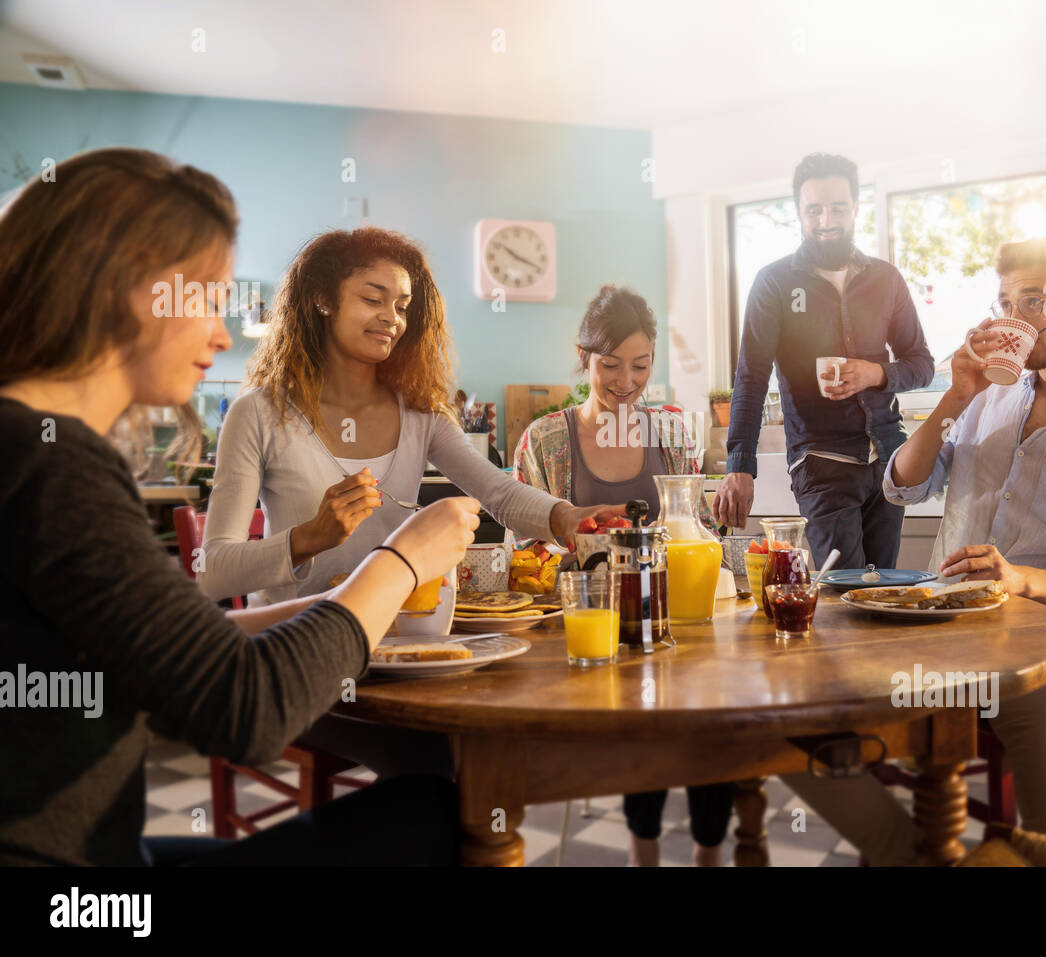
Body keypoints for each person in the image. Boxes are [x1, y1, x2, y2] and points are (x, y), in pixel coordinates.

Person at [0, 148, 478, 866]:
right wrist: (401, 561)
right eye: (208, 300)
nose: (222, 335)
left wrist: (346, 599)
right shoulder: (50, 468)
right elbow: (245, 708)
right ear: (123, 289)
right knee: (434, 813)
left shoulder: (24, 449)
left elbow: (172, 652)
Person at [786, 236, 1046, 859]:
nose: (1014, 316)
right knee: (789, 714)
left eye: (1034, 298)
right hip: (939, 633)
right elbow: (903, 485)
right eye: (1004, 301)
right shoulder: (983, 402)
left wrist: (1019, 580)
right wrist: (956, 392)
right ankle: (910, 857)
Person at [196, 227, 624, 779]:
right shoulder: (257, 413)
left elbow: (496, 490)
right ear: (323, 299)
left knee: (479, 745)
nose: (392, 318)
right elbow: (213, 572)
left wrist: (565, 515)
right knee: (445, 764)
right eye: (372, 298)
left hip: (403, 652)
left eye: (401, 305)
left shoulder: (420, 412)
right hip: (303, 659)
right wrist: (309, 537)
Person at [513, 285, 733, 866]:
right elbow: (525, 558)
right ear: (583, 356)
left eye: (640, 366)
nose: (625, 381)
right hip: (593, 629)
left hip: (675, 620)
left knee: (716, 720)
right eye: (610, 365)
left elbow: (699, 526)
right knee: (645, 719)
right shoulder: (547, 439)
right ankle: (645, 853)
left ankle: (710, 855)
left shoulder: (672, 431)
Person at [713, 152, 934, 569]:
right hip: (820, 462)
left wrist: (876, 373)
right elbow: (752, 378)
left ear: (855, 208)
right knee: (844, 591)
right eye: (814, 209)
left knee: (883, 591)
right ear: (799, 211)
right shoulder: (774, 282)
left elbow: (921, 364)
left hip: (889, 457)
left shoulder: (886, 279)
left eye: (837, 207)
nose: (826, 219)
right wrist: (740, 465)